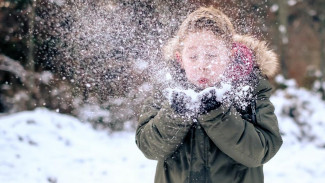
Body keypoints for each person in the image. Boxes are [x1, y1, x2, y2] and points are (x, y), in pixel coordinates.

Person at [135, 6, 283, 183]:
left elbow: (261, 151)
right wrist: (176, 114)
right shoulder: (168, 90)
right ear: (180, 59)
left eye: (212, 55)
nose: (202, 65)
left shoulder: (249, 88)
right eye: (193, 57)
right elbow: (149, 147)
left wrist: (217, 114)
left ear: (230, 55)